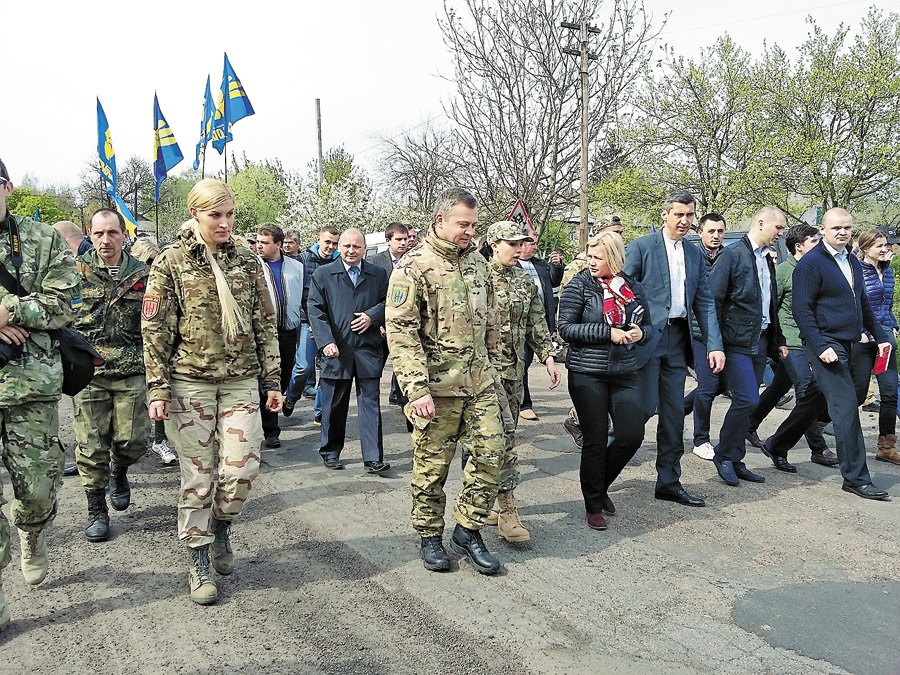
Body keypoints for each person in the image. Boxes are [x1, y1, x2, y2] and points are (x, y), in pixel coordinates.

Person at [142, 178, 282, 605]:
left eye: (230, 214)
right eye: (214, 215)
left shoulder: (247, 259)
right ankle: (198, 557)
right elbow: (155, 329)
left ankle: (221, 524)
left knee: (241, 470)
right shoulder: (171, 263)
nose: (225, 222)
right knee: (199, 477)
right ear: (195, 214)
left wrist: (272, 381)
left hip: (240, 379)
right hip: (190, 383)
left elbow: (265, 323)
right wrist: (157, 389)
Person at [386, 187, 505, 575]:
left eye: (474, 225)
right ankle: (429, 536)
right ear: (440, 221)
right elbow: (401, 330)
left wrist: (497, 368)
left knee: (492, 456)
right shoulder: (413, 266)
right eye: (463, 224)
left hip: (480, 382)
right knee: (432, 470)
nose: (470, 231)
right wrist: (415, 387)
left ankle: (468, 530)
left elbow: (490, 321)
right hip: (436, 389)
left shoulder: (478, 264)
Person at [0, 158, 79, 630]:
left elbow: (63, 303)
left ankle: (32, 531)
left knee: (36, 489)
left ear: (7, 187)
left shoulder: (42, 239)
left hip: (30, 387)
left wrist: (7, 309)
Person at [622, 191, 725, 507]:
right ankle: (601, 470)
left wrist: (714, 345)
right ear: (665, 214)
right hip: (647, 340)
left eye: (690, 215)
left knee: (673, 415)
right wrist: (630, 330)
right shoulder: (643, 247)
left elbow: (704, 300)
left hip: (678, 342)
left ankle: (668, 481)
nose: (684, 221)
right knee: (642, 409)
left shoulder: (694, 254)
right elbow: (622, 291)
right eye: (679, 214)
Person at [793, 207, 891, 500]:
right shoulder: (811, 264)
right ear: (822, 229)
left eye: (847, 228)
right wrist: (821, 347)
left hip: (851, 342)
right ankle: (856, 478)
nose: (842, 232)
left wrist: (881, 336)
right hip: (825, 342)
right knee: (846, 408)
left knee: (814, 399)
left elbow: (863, 304)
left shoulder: (850, 260)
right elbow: (802, 310)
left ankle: (776, 444)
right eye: (836, 227)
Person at [558, 231, 651, 530]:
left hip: (624, 370)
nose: (592, 261)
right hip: (588, 372)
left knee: (631, 435)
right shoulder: (580, 285)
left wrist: (641, 334)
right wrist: (606, 333)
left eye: (599, 257)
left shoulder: (631, 287)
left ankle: (599, 485)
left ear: (615, 258)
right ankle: (592, 502)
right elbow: (566, 328)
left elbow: (647, 324)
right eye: (590, 256)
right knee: (596, 440)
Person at [72, 209, 151, 542]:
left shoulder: (144, 274)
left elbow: (156, 322)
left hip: (132, 370)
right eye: (99, 233)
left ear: (124, 235)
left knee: (133, 441)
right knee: (91, 447)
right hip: (89, 371)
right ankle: (96, 509)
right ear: (90, 235)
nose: (106, 240)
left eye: (113, 233)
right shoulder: (73, 273)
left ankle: (121, 469)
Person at [483, 220, 560, 541]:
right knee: (501, 441)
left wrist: (548, 355)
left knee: (500, 439)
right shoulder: (476, 279)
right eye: (512, 244)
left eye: (520, 244)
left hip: (514, 375)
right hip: (482, 376)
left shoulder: (523, 282)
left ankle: (481, 499)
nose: (518, 250)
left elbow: (536, 322)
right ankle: (508, 511)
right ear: (494, 244)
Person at [707, 207, 787, 486]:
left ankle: (736, 458)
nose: (781, 233)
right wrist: (714, 344)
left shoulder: (766, 258)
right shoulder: (732, 255)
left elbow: (769, 303)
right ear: (761, 223)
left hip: (760, 340)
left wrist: (778, 342)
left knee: (748, 400)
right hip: (735, 341)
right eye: (778, 227)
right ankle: (724, 456)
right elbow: (712, 301)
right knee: (747, 399)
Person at [748, 224, 837, 470]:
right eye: (814, 241)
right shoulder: (784, 271)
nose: (820, 245)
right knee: (807, 390)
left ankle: (749, 424)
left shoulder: (817, 269)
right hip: (790, 340)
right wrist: (775, 342)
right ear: (799, 246)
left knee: (779, 386)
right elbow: (770, 309)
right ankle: (817, 448)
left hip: (810, 339)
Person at [308, 228, 389, 473]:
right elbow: (315, 309)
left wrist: (372, 316)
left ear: (365, 249)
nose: (351, 251)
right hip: (336, 350)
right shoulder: (323, 274)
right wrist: (326, 341)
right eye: (346, 246)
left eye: (356, 247)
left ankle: (373, 457)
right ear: (339, 248)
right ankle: (331, 452)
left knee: (371, 404)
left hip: (368, 348)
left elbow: (390, 302)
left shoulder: (378, 274)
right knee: (334, 405)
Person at [558, 216, 623, 447]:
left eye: (620, 232)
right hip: (584, 345)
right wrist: (565, 344)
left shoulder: (619, 268)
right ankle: (582, 425)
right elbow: (567, 308)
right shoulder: (579, 267)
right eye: (613, 231)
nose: (618, 235)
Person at [283, 226, 340, 419]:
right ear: (318, 240)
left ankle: (320, 412)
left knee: (328, 370)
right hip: (307, 322)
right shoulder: (303, 260)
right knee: (303, 367)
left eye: (334, 243)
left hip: (331, 325)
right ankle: (291, 396)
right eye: (327, 242)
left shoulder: (340, 261)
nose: (331, 247)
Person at [256, 223, 304, 448]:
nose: (259, 246)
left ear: (278, 244)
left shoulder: (296, 266)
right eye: (258, 241)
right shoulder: (254, 266)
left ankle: (276, 404)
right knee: (266, 379)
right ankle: (270, 430)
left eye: (264, 242)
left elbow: (304, 295)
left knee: (284, 376)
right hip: (264, 332)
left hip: (289, 330)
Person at [854, 228, 900, 464]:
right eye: (880, 246)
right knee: (859, 392)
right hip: (864, 338)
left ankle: (885, 446)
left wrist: (893, 327)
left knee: (890, 392)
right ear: (865, 249)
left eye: (887, 245)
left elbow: (887, 304)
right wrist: (861, 332)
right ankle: (818, 422)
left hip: (886, 337)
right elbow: (854, 305)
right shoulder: (856, 270)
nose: (886, 249)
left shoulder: (888, 271)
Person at [682, 213, 725, 460]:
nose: (716, 236)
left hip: (719, 334)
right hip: (697, 332)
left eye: (720, 231)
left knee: (721, 385)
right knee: (708, 386)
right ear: (700, 232)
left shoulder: (726, 256)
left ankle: (678, 411)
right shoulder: (692, 256)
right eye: (711, 231)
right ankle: (701, 439)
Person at [516, 229, 563, 421]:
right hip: (518, 326)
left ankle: (523, 402)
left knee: (525, 363)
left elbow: (553, 282)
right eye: (532, 243)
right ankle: (524, 403)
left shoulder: (541, 265)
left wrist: (557, 266)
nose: (536, 247)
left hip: (539, 322)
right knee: (521, 364)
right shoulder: (511, 265)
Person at [368, 222, 411, 408]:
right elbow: (371, 296)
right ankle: (371, 401)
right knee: (375, 367)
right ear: (388, 241)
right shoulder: (375, 262)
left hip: (405, 324)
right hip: (381, 324)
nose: (403, 243)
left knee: (404, 366)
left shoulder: (412, 260)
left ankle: (404, 403)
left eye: (406, 239)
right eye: (399, 239)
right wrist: (379, 322)